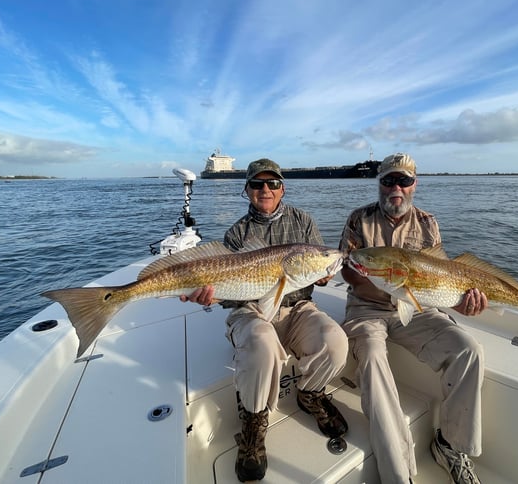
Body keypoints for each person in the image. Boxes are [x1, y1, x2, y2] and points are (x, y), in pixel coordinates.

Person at [181, 158, 349, 482]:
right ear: (247, 190)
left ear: (283, 188)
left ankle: (310, 393)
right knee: (263, 344)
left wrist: (323, 272)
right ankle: (254, 424)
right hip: (251, 311)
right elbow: (231, 295)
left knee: (336, 342)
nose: (265, 189)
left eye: (272, 183)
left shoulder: (303, 222)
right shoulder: (237, 233)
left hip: (297, 308)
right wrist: (208, 296)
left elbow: (311, 270)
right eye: (257, 184)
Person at [339, 153, 488, 484]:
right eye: (389, 180)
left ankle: (450, 445)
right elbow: (350, 274)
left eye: (404, 181)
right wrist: (377, 275)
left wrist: (463, 304)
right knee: (375, 362)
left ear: (414, 184)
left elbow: (441, 284)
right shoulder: (358, 220)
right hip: (367, 309)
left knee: (469, 349)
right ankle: (398, 475)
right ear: (379, 183)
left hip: (418, 309)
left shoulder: (428, 223)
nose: (396, 188)